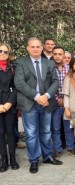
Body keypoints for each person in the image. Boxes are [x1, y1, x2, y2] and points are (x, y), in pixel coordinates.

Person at [14, 37, 62, 174]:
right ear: (27, 48)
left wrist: (46, 96)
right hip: (29, 103)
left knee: (46, 131)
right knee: (31, 134)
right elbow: (19, 83)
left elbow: (55, 82)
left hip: (46, 102)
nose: (35, 49)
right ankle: (34, 160)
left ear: (42, 48)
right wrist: (37, 96)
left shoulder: (49, 63)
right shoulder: (21, 63)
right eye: (32, 47)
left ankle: (47, 156)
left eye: (38, 46)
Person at [51, 46, 75, 158]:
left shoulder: (69, 69)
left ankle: (70, 147)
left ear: (64, 56)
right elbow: (46, 86)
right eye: (55, 54)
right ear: (53, 55)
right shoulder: (49, 68)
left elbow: (74, 85)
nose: (58, 56)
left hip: (68, 103)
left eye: (60, 54)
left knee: (69, 126)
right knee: (56, 128)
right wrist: (58, 99)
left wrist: (65, 100)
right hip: (54, 102)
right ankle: (57, 149)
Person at [0, 43, 19, 172]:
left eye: (5, 52)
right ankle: (4, 160)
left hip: (10, 105)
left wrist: (9, 103)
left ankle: (13, 159)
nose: (2, 53)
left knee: (11, 133)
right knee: (0, 133)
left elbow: (17, 87)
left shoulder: (13, 68)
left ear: (9, 54)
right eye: (0, 51)